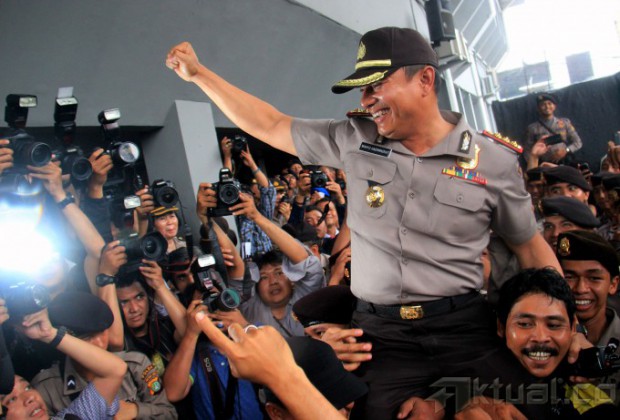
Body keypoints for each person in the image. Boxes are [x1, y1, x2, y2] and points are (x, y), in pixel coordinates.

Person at [166, 26, 560, 417]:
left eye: (377, 85)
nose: (366, 99)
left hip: (466, 330)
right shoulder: (353, 138)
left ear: (425, 80)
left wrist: (568, 324)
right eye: (362, 89)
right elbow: (270, 124)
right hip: (380, 338)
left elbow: (529, 246)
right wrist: (200, 75)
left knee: (533, 409)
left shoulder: (492, 161)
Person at [492, 267, 619, 418]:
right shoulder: (477, 390)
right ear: (501, 327)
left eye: (553, 325)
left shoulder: (595, 406)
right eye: (525, 324)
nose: (541, 337)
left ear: (573, 329)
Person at [31, 291, 177, 419]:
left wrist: (136, 410)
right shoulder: (46, 388)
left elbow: (169, 414)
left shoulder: (135, 365)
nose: (100, 343)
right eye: (88, 338)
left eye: (103, 332)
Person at [0, 307, 126, 420]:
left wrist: (49, 334)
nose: (29, 398)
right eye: (11, 400)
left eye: (28, 388)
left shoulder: (73, 418)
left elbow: (116, 370)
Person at [556, 230, 620, 404]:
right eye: (569, 277)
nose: (580, 288)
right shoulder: (544, 339)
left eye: (594, 278)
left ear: (613, 284)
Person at [525, 92, 582, 164]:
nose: (547, 107)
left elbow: (578, 142)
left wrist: (566, 150)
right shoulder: (532, 128)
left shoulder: (565, 123)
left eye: (549, 103)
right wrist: (535, 164)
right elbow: (527, 151)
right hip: (546, 165)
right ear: (538, 109)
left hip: (565, 162)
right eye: (543, 104)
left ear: (554, 106)